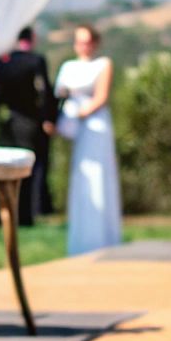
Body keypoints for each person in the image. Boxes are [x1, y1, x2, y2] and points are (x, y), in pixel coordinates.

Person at [55, 24, 122, 254]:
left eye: (86, 41)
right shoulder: (68, 67)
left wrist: (80, 113)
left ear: (94, 43)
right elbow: (60, 96)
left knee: (98, 177)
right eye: (78, 41)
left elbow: (101, 97)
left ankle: (102, 237)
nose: (82, 46)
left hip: (95, 126)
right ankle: (82, 239)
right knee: (81, 177)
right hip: (75, 126)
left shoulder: (103, 64)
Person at [0, 26, 57, 224]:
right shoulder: (36, 61)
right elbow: (45, 92)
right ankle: (29, 214)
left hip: (8, 121)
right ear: (32, 39)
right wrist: (48, 118)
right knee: (31, 168)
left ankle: (2, 212)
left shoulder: (2, 62)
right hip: (30, 121)